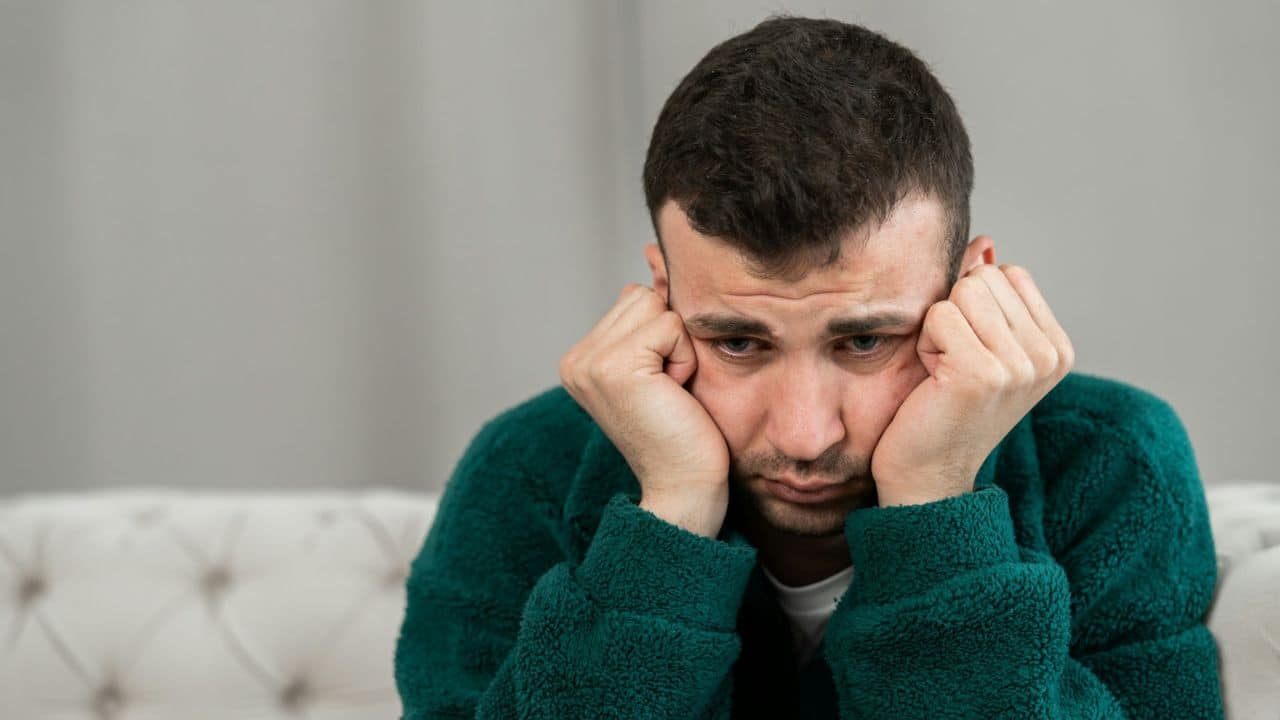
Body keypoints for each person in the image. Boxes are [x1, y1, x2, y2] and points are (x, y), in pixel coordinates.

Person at [394, 14, 1222, 719]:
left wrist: (936, 504)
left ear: (971, 287)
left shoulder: (1112, 460)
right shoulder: (529, 465)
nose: (801, 435)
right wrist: (669, 520)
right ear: (663, 290)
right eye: (738, 343)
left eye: (865, 341)